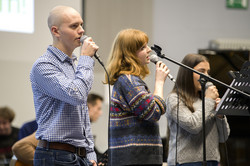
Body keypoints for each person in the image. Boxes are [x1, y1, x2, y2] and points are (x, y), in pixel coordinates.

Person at [30, 5, 98, 166]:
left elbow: (82, 112)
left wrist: (90, 153)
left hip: (78, 155)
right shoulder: (44, 65)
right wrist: (86, 59)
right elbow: (76, 96)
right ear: (56, 31)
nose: (81, 31)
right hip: (55, 155)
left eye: (81, 24)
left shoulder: (75, 64)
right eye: (74, 26)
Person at [105, 28, 170, 166]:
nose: (149, 50)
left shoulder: (131, 80)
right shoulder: (128, 80)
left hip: (137, 157)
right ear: (130, 54)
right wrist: (159, 82)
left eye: (147, 46)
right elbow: (154, 112)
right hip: (135, 158)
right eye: (142, 47)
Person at [165, 54, 230, 166]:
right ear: (187, 73)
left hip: (212, 161)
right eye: (202, 71)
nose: (207, 76)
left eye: (207, 72)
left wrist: (220, 116)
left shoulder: (206, 101)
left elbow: (223, 137)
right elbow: (193, 126)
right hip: (186, 162)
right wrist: (209, 101)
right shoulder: (174, 99)